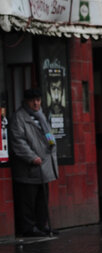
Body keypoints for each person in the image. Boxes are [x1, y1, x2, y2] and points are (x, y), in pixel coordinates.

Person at [9, 88, 59, 237]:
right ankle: (28, 228)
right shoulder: (19, 118)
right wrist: (31, 157)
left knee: (42, 199)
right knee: (28, 200)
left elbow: (49, 135)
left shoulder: (41, 116)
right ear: (26, 101)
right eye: (33, 100)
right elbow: (18, 142)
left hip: (44, 165)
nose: (36, 103)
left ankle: (41, 225)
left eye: (38, 100)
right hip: (30, 168)